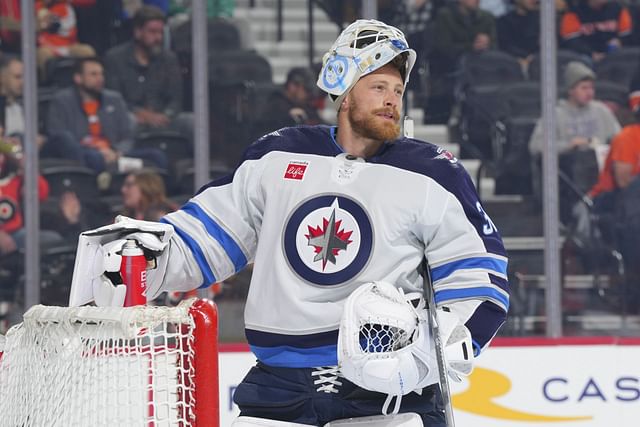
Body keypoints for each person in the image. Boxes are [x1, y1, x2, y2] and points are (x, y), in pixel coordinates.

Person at [74, 20, 509, 426]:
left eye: (397, 90)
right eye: (378, 87)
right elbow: (213, 234)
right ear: (343, 88)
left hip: (384, 390)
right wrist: (150, 257)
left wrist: (429, 357)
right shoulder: (278, 155)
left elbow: (480, 277)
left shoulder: (433, 172)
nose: (392, 100)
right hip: (279, 384)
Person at [45, 56, 167, 173]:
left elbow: (128, 135)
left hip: (115, 154)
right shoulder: (62, 100)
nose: (100, 78)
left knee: (156, 156)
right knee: (95, 158)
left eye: (101, 74)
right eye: (93, 74)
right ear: (78, 78)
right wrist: (97, 151)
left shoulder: (114, 99)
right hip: (85, 155)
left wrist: (116, 151)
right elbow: (60, 138)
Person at [103, 5, 193, 143]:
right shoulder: (115, 58)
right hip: (131, 117)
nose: (158, 37)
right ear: (138, 32)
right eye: (152, 32)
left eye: (160, 32)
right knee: (128, 121)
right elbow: (114, 99)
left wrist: (165, 115)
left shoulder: (169, 59)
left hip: (163, 118)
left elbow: (176, 99)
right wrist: (140, 113)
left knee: (191, 122)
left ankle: (193, 163)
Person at [0, 55, 86, 165]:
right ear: (1, 77)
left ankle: (86, 176)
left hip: (32, 151)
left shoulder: (22, 106)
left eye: (24, 77)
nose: (23, 82)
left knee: (90, 155)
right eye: (17, 77)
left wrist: (39, 139)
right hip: (11, 155)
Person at [35, 0, 95, 76]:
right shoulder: (38, 6)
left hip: (70, 45)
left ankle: (88, 83)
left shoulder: (66, 3)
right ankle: (45, 85)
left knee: (87, 51)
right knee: (42, 55)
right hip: (49, 46)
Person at [559, 0, 632, 63]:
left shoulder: (618, 9)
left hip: (613, 54)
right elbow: (572, 41)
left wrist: (619, 41)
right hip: (585, 56)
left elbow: (627, 34)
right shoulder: (573, 13)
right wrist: (592, 54)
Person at [257, 66, 324, 134]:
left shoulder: (305, 106)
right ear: (293, 86)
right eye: (307, 90)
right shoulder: (275, 105)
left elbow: (319, 123)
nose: (308, 95)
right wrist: (289, 117)